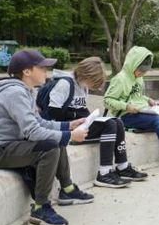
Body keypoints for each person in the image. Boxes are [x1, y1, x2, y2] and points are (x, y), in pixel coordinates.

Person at [0, 49, 93, 225]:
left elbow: (38, 122)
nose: (46, 71)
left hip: (11, 145)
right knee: (51, 146)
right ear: (27, 71)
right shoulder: (15, 93)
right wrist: (70, 136)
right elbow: (32, 132)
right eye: (42, 67)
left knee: (56, 139)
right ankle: (40, 207)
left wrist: (67, 126)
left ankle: (68, 190)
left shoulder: (26, 90)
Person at [44, 57, 147, 188]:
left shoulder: (82, 86)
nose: (93, 86)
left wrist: (90, 117)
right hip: (67, 128)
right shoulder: (65, 84)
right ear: (85, 75)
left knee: (117, 122)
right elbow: (53, 112)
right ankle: (104, 173)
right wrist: (75, 116)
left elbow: (80, 108)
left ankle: (123, 166)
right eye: (93, 82)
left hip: (80, 124)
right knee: (109, 125)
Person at [103, 46, 159, 171]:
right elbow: (107, 100)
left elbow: (137, 95)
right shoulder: (119, 79)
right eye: (140, 71)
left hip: (141, 110)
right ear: (132, 64)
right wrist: (126, 106)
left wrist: (148, 99)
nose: (141, 74)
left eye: (144, 72)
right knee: (156, 120)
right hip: (125, 115)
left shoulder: (139, 78)